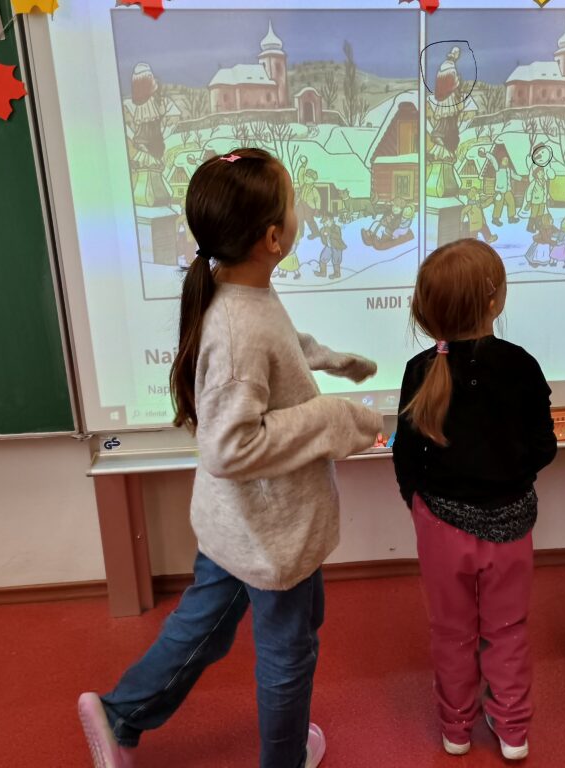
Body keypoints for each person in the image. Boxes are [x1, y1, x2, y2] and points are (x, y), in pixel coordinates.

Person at [77, 148, 383, 768]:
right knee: (289, 655)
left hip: (238, 525)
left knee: (204, 629)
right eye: (293, 203)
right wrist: (334, 418)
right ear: (273, 238)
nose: (299, 211)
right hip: (272, 534)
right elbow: (230, 445)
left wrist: (325, 359)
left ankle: (121, 713)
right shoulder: (237, 327)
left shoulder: (238, 291)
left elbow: (273, 345)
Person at [393, 239, 558, 760]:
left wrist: (419, 503)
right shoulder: (521, 365)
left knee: (452, 632)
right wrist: (510, 481)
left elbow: (406, 456)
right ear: (494, 301)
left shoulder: (420, 369)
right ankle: (512, 731)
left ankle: (456, 729)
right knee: (507, 630)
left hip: (440, 526)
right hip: (511, 526)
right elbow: (544, 447)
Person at [492, 156, 521, 226]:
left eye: (507, 160)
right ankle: (495, 219)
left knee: (511, 202)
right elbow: (493, 159)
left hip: (508, 190)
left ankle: (511, 218)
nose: (506, 161)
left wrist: (522, 179)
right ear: (501, 160)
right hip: (500, 190)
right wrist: (486, 154)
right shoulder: (497, 168)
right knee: (498, 205)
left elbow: (514, 176)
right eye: (504, 159)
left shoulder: (509, 169)